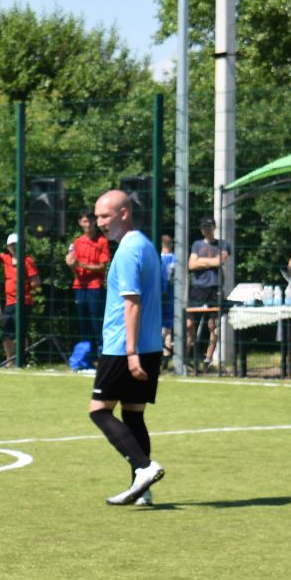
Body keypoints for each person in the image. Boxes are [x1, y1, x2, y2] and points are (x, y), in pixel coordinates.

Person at [87, 190, 165, 506]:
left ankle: (145, 468)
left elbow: (131, 302)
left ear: (123, 213)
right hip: (149, 346)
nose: (99, 223)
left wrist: (131, 352)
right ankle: (141, 489)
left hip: (123, 347)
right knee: (133, 415)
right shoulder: (144, 245)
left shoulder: (129, 251)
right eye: (97, 217)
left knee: (99, 411)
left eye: (105, 216)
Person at [186, 218, 230, 372]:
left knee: (213, 326)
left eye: (209, 227)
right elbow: (191, 265)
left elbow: (221, 261)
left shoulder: (223, 244)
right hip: (198, 289)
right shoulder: (197, 244)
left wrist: (201, 261)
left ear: (214, 228)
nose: (207, 230)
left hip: (214, 289)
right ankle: (185, 360)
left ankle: (207, 360)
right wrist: (211, 261)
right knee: (190, 325)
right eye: (204, 228)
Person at [0, 232, 39, 368]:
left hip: (23, 302)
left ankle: (22, 360)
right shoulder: (5, 259)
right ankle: (10, 360)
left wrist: (24, 286)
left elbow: (36, 282)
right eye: (12, 245)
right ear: (8, 247)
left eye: (16, 245)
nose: (14, 247)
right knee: (6, 333)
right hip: (9, 303)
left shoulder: (27, 261)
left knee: (21, 333)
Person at [67, 212, 109, 347]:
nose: (88, 225)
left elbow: (103, 267)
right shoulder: (77, 242)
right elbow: (75, 270)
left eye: (90, 221)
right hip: (79, 287)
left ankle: (102, 356)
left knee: (97, 322)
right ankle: (87, 359)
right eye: (85, 221)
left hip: (95, 287)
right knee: (83, 323)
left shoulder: (102, 241)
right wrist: (71, 264)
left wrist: (82, 265)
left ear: (95, 222)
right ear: (80, 222)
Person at [158, 234, 177, 357]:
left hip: (160, 296)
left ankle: (164, 353)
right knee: (167, 326)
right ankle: (165, 352)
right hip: (170, 296)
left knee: (165, 326)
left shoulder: (156, 257)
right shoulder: (175, 259)